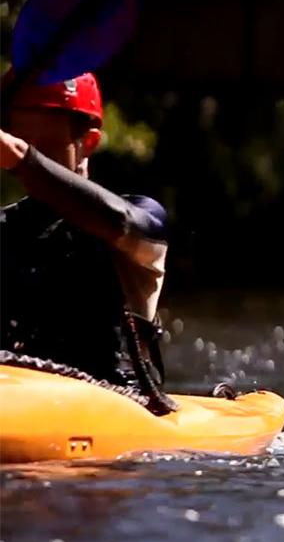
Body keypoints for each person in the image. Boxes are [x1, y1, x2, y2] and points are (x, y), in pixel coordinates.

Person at [1, 71, 174, 413]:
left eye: (45, 147)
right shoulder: (4, 226)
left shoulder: (141, 220)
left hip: (119, 402)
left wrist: (22, 159)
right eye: (21, 140)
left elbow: (119, 221)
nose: (29, 156)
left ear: (89, 142)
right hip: (16, 396)